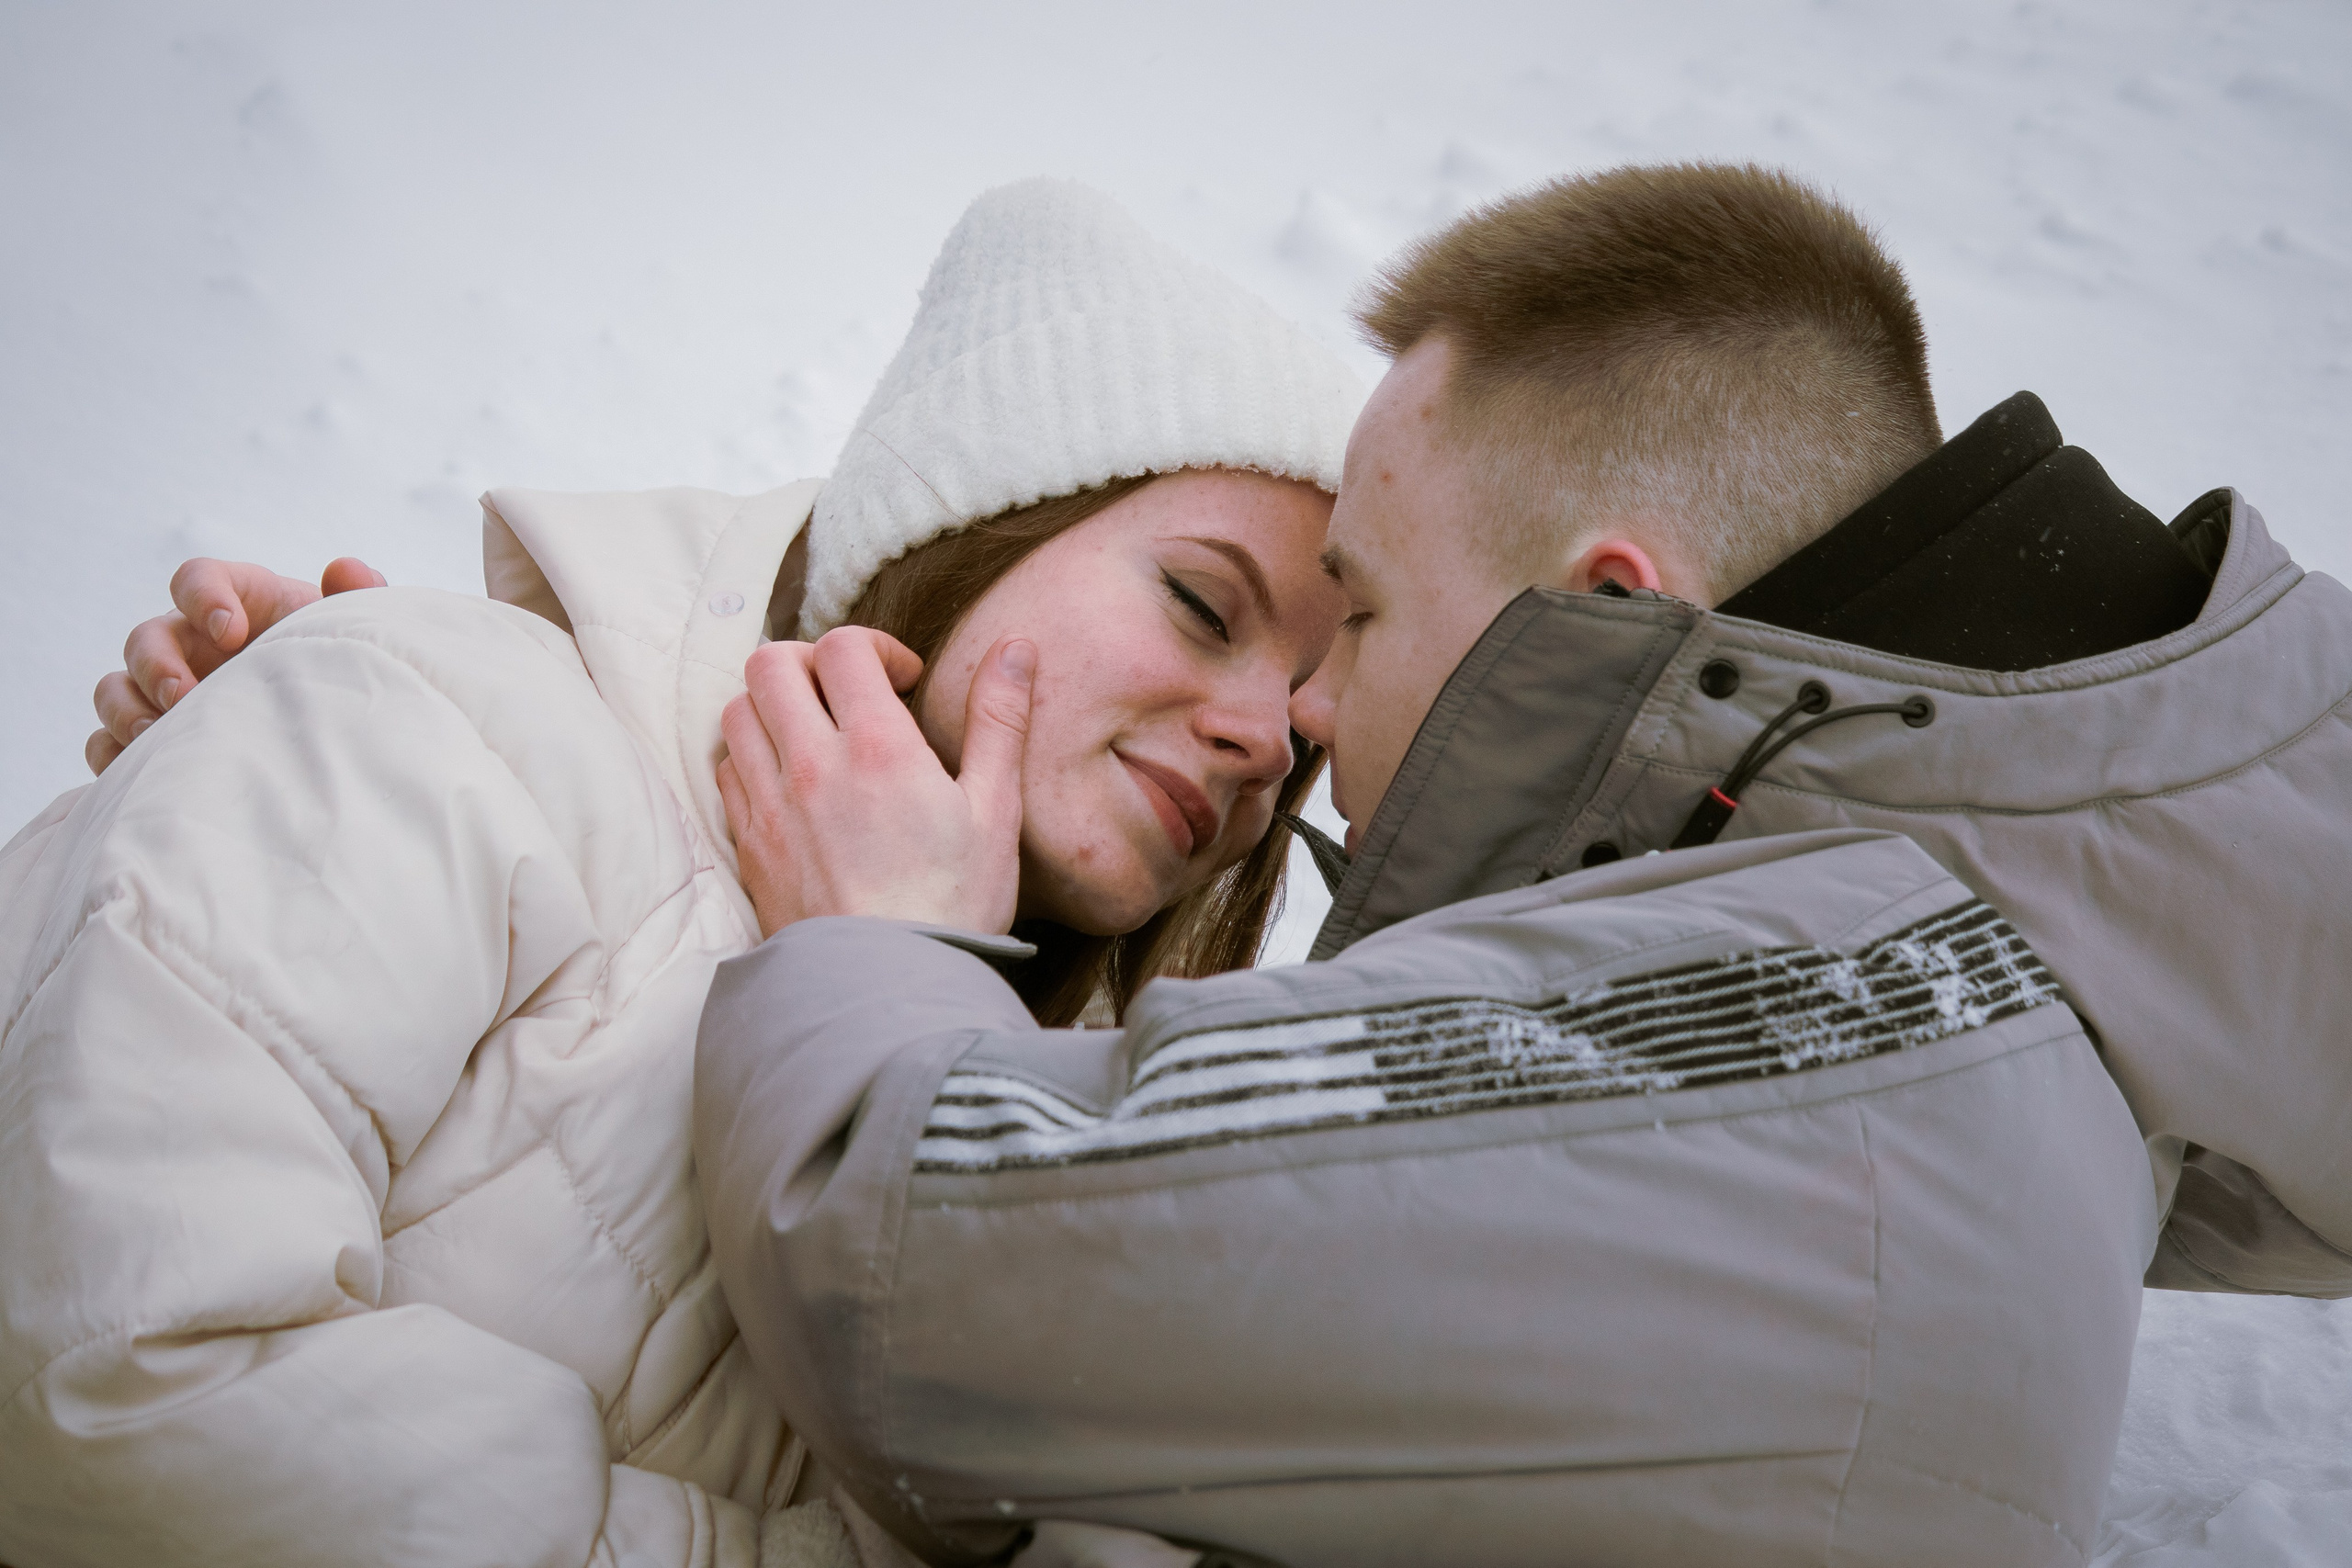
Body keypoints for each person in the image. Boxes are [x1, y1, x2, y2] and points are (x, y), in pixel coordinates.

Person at [686, 168, 2169, 1566]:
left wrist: (887, 944)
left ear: (1604, 615)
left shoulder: (1754, 1018)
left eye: (1364, 622)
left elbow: (916, 1276)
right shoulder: (1959, 1008)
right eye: (1206, 606)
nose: (1293, 733)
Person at [0, 178, 1362, 1568]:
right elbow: (113, 1369)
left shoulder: (1076, 1150)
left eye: (1312, 719)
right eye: (1203, 606)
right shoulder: (432, 727)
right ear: (972, 524)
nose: (1262, 737)